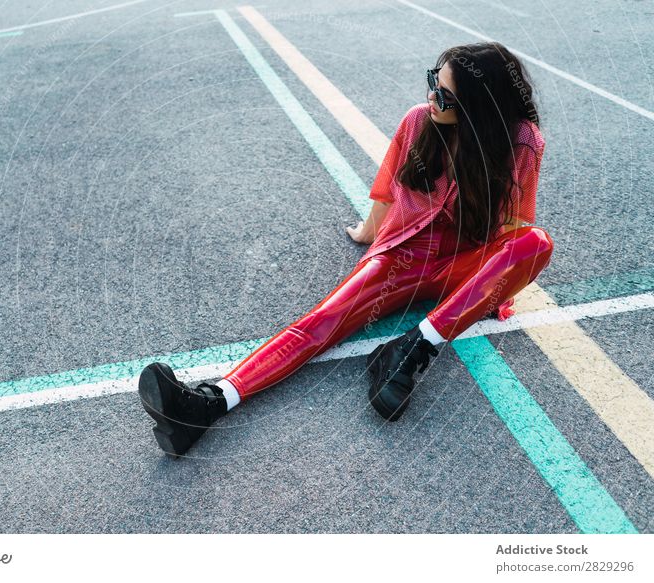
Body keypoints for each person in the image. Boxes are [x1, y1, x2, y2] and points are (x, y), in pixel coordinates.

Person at [138, 42, 554, 457]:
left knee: (536, 243)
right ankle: (205, 404)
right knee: (320, 321)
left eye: (444, 94)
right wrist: (370, 233)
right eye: (433, 81)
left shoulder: (522, 141)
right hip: (403, 256)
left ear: (480, 109)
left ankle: (411, 348)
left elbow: (516, 228)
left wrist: (495, 282)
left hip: (465, 267)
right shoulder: (419, 121)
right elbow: (389, 189)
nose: (431, 96)